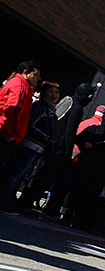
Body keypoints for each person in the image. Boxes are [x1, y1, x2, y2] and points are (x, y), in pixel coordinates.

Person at [22, 83, 96, 217]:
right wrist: (67, 153)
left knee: (40, 175)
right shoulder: (77, 108)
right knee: (46, 178)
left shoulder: (68, 101)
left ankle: (25, 200)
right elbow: (70, 131)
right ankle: (27, 202)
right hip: (59, 149)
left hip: (52, 144)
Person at [1, 80, 58, 209]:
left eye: (56, 92)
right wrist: (46, 137)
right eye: (50, 91)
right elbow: (31, 124)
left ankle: (8, 199)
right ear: (44, 93)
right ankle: (4, 201)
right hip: (28, 145)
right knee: (15, 174)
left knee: (20, 175)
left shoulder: (50, 109)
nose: (53, 95)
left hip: (36, 148)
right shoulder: (40, 107)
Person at [0, 61, 40, 175]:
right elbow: (13, 110)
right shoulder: (20, 86)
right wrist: (10, 135)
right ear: (26, 72)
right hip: (5, 135)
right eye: (36, 74)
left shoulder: (19, 84)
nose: (38, 78)